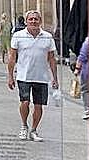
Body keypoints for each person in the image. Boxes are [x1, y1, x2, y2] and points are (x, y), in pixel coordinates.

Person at [7, 10, 58, 142]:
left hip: (41, 76)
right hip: (24, 75)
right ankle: (24, 126)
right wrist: (10, 76)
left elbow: (52, 58)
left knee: (38, 105)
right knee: (25, 102)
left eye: (36, 19)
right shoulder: (18, 36)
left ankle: (34, 130)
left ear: (40, 21)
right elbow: (12, 57)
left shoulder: (47, 37)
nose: (34, 22)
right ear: (26, 22)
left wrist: (55, 78)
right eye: (31, 19)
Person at [75, 35, 89, 121]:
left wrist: (77, 69)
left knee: (86, 90)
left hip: (88, 70)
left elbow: (82, 56)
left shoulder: (88, 40)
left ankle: (88, 110)